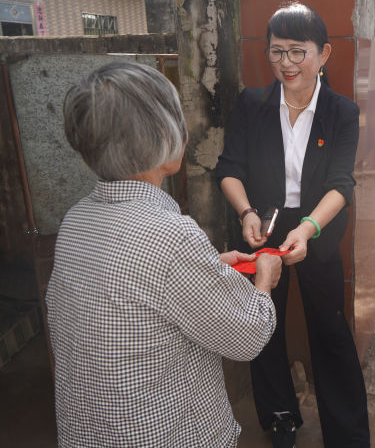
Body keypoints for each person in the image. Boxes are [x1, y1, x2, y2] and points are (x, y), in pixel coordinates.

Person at [45, 62, 282, 448]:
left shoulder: (77, 218)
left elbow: (137, 294)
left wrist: (209, 268)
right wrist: (264, 278)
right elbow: (247, 336)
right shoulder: (171, 235)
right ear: (162, 136)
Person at [215, 2, 370, 448]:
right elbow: (229, 168)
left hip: (316, 228)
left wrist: (307, 229)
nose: (287, 63)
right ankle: (280, 416)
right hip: (261, 227)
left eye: (298, 51)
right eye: (277, 51)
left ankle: (347, 431)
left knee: (330, 328)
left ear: (323, 54)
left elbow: (341, 184)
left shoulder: (341, 112)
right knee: (264, 324)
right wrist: (246, 212)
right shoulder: (253, 104)